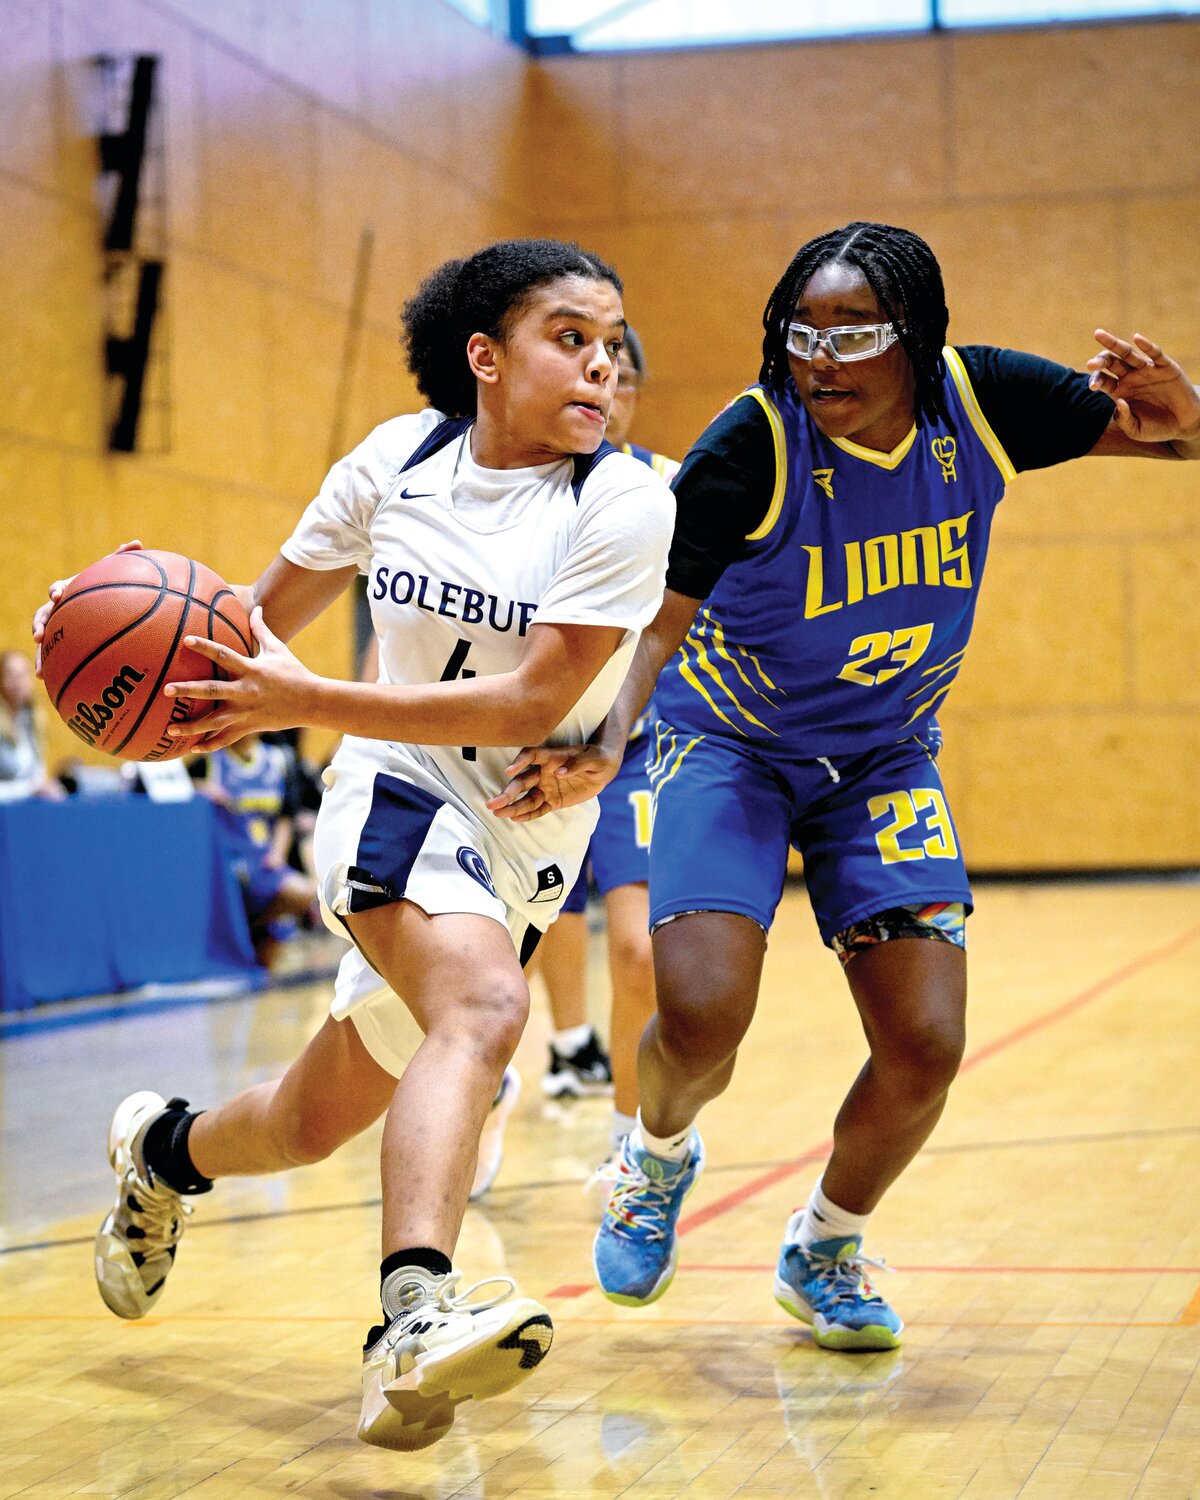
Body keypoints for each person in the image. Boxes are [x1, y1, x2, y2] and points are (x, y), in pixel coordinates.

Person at [490, 221, 1200, 1351]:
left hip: (883, 757)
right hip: (730, 746)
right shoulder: (751, 445)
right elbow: (658, 632)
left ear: (912, 336)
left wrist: (1189, 408)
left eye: (853, 334)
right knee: (703, 1013)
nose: (820, 358)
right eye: (800, 333)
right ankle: (655, 1156)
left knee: (926, 1041)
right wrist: (611, 739)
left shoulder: (983, 405)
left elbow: (1171, 440)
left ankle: (825, 1245)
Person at [34, 238, 674, 1449]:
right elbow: (247, 630)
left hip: (528, 832)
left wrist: (611, 741)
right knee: (486, 1009)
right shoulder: (400, 460)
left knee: (308, 1121)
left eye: (611, 345)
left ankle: (163, 1153)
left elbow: (536, 701)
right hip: (395, 787)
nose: (601, 367)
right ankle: (414, 1314)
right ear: (485, 357)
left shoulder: (627, 499)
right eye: (570, 339)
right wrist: (89, 635)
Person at [532, 329, 677, 1162]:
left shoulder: (666, 487)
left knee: (639, 952)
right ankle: (547, 1053)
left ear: (632, 394)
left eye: (619, 379)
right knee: (515, 943)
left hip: (635, 750)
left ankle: (632, 1145)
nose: (603, 392)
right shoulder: (525, 486)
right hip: (521, 747)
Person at [193, 732, 319, 967]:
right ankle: (250, 929)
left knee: (305, 893)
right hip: (227, 861)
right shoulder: (209, 760)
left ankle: (253, 926)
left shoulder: (277, 759)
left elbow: (286, 813)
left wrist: (278, 854)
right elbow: (173, 787)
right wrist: (199, 787)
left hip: (263, 857)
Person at [0, 649, 63, 802]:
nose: (18, 681)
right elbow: (31, 786)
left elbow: (38, 776)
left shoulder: (32, 718)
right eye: (11, 674)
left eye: (23, 674)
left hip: (27, 810)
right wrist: (29, 789)